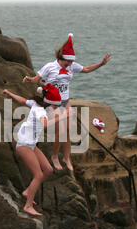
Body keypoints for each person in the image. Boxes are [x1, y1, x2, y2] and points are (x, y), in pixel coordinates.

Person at [23, 33, 111, 171]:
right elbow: (36, 79)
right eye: (67, 62)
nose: (70, 64)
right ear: (61, 57)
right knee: (61, 131)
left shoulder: (71, 66)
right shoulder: (50, 67)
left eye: (71, 62)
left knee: (68, 131)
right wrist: (29, 79)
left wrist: (101, 63)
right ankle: (54, 157)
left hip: (66, 101)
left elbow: (86, 69)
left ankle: (66, 158)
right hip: (53, 103)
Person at [3, 84, 69, 216]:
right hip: (24, 145)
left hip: (31, 144)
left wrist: (9, 93)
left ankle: (28, 191)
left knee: (48, 170)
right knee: (38, 175)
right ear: (50, 103)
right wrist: (62, 117)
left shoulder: (36, 104)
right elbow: (45, 125)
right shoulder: (40, 111)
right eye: (55, 105)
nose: (56, 108)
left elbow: (22, 100)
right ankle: (28, 206)